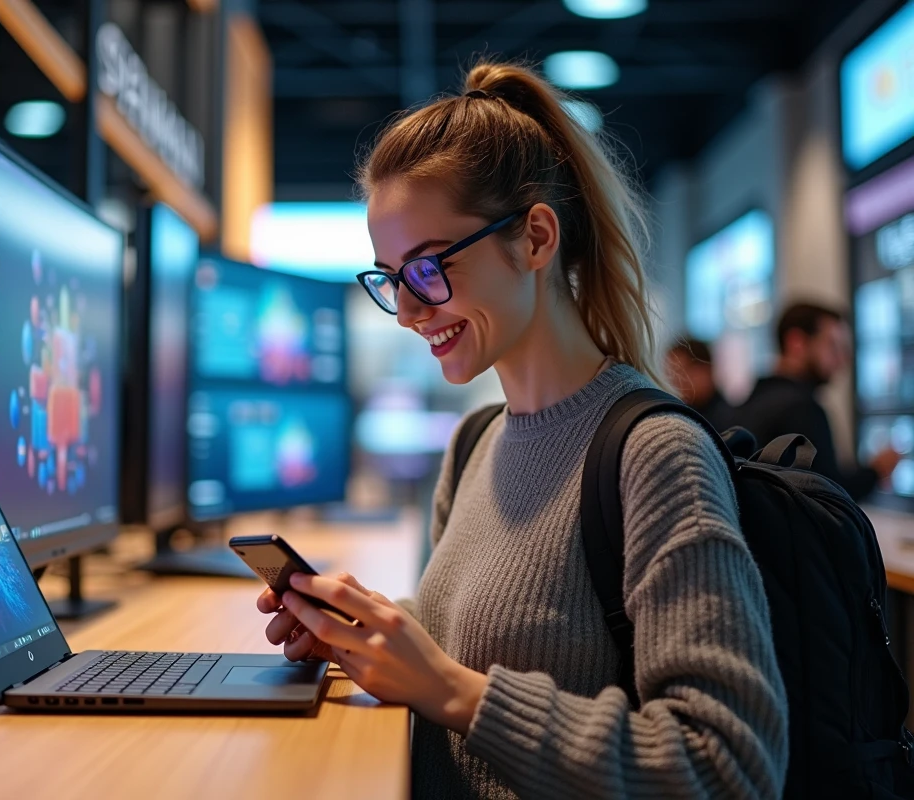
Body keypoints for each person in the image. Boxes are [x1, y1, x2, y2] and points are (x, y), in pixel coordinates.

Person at [257, 63, 787, 799]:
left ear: (536, 237)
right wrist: (364, 633)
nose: (409, 313)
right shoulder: (475, 443)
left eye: (429, 269)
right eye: (389, 279)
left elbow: (728, 765)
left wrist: (453, 692)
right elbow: (491, 640)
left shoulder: (655, 454)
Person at [737, 302, 898, 501]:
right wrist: (876, 470)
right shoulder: (800, 409)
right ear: (796, 342)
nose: (841, 360)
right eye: (832, 345)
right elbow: (830, 496)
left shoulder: (755, 398)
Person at [664, 336, 735, 430]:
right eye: (671, 374)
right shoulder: (678, 417)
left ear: (706, 369)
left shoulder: (730, 422)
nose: (676, 382)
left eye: (682, 372)